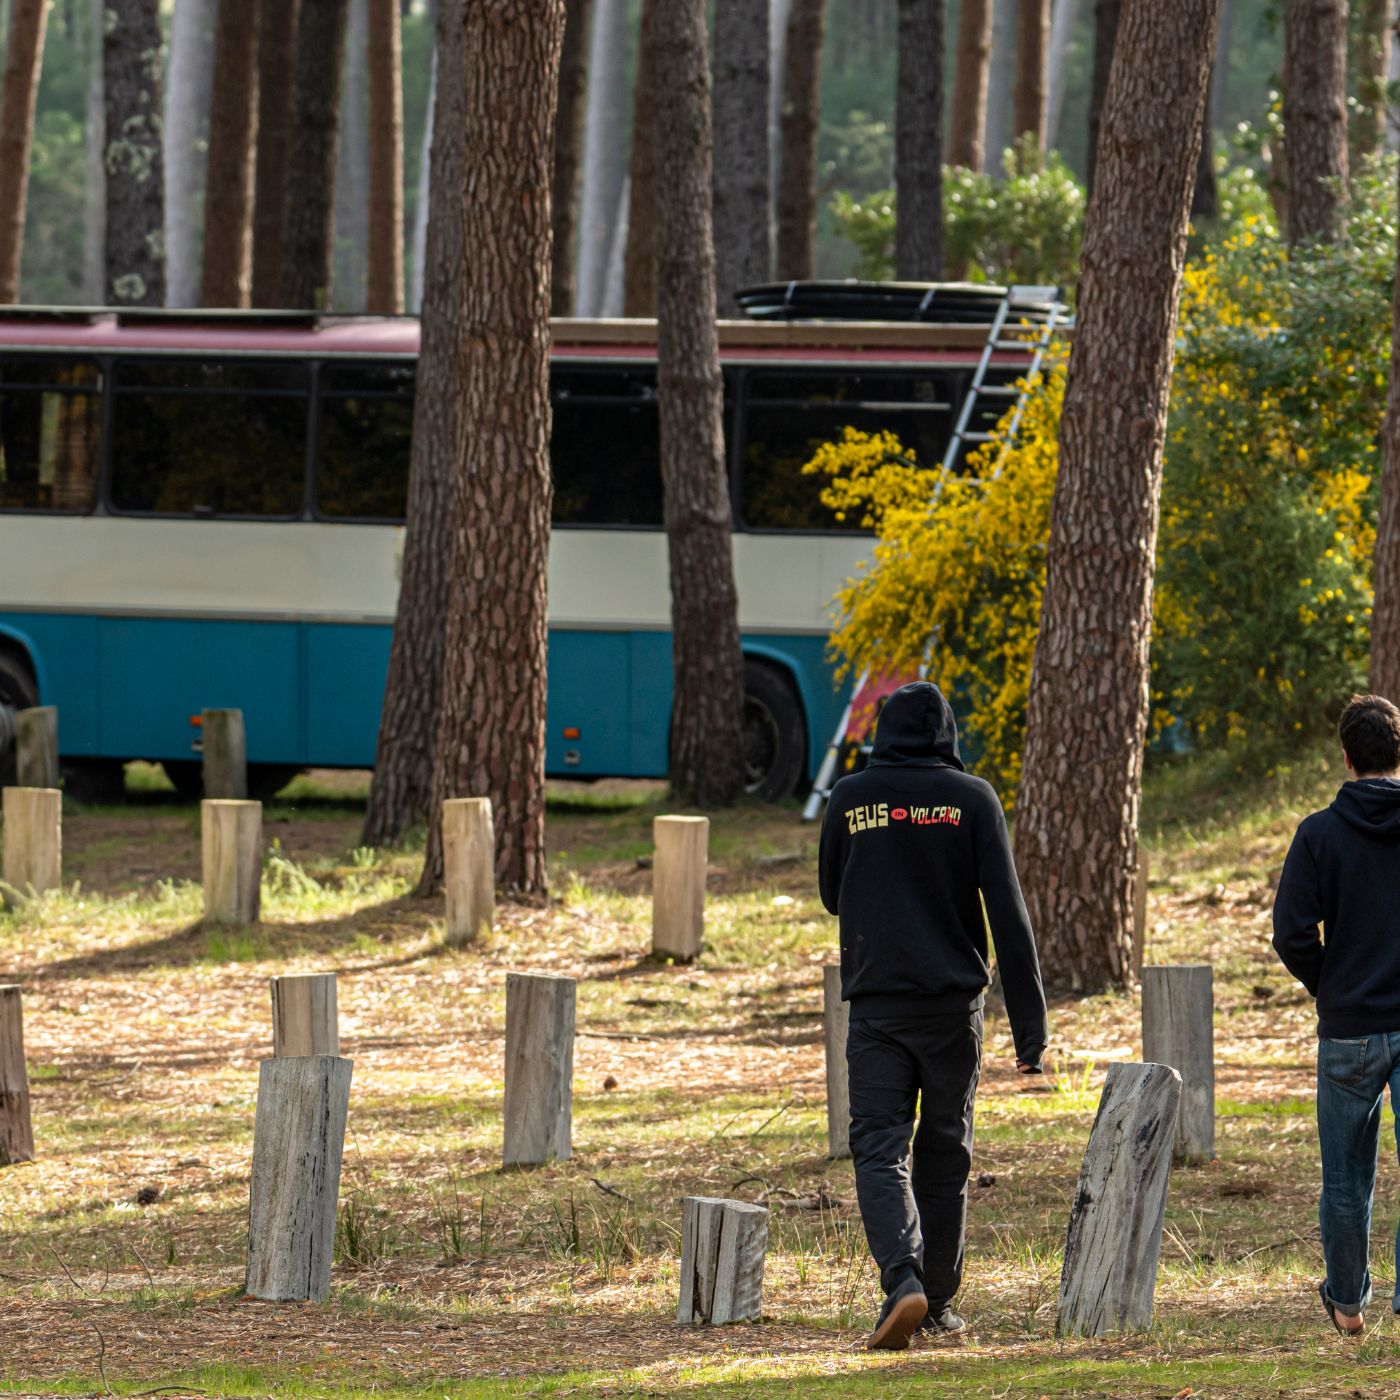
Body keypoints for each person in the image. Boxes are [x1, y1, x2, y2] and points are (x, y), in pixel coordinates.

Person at [818, 681, 1048, 1351]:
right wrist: (1031, 1033)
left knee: (879, 1144)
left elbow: (833, 893)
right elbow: (1008, 913)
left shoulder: (850, 798)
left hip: (879, 1005)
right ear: (947, 734)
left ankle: (901, 1280)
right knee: (946, 1147)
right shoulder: (972, 799)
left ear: (884, 731)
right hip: (954, 1010)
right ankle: (940, 1301)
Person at [1273, 692, 1400, 1337]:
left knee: (1345, 1177)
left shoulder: (1318, 834)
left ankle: (1347, 1304)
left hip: (1348, 1028)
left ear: (1346, 756)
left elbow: (1290, 933)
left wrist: (1333, 985)